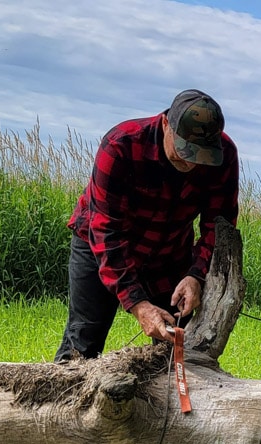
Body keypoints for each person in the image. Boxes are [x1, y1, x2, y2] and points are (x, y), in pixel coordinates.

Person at [55, 89, 239, 362]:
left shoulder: (223, 156)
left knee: (173, 347)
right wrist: (138, 304)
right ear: (166, 124)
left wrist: (196, 275)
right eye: (184, 150)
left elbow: (218, 226)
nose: (190, 162)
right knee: (83, 341)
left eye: (200, 156)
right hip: (100, 246)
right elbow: (106, 231)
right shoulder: (121, 146)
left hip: (170, 250)